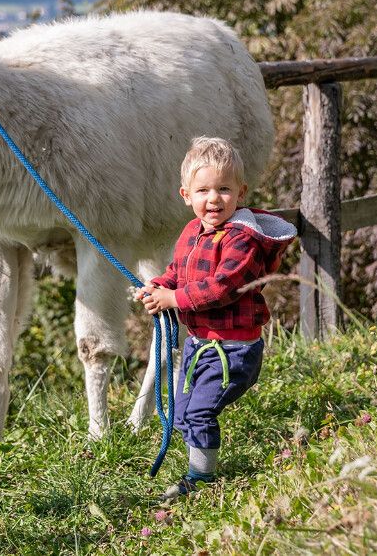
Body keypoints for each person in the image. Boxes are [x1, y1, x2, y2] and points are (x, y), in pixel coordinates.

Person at [135, 136, 296, 500]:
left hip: (234, 350)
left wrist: (172, 298)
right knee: (181, 415)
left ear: (241, 193)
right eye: (203, 190)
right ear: (186, 195)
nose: (213, 199)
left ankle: (201, 481)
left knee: (199, 413)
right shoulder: (192, 231)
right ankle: (198, 467)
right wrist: (158, 285)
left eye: (224, 189)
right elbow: (177, 271)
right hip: (199, 344)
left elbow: (220, 288)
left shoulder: (242, 241)